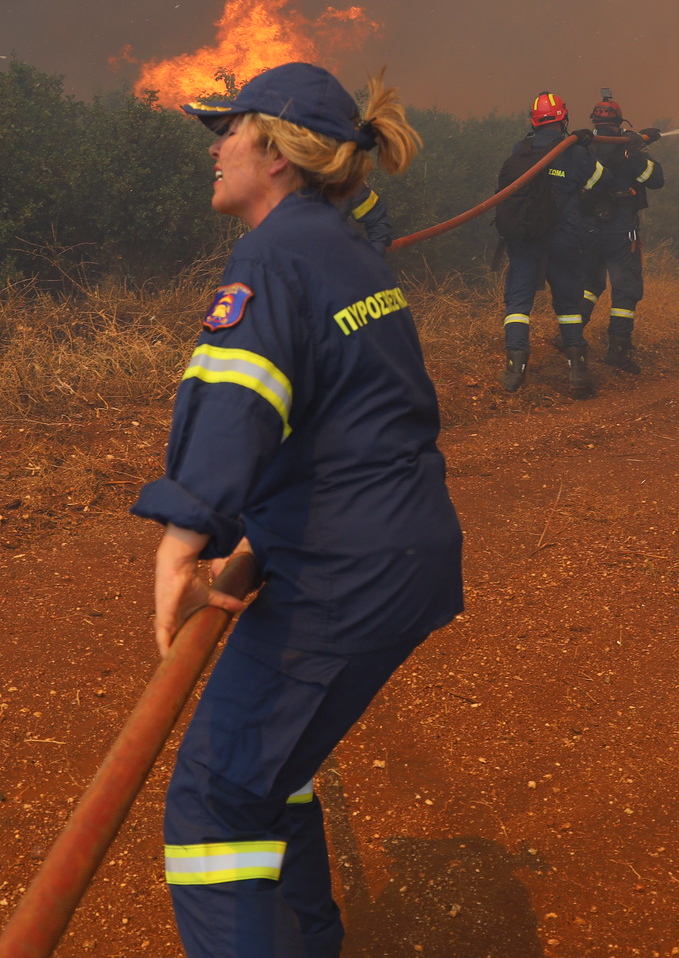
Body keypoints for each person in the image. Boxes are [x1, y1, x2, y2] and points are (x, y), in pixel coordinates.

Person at [132, 61, 464, 957]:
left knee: (216, 799)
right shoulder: (342, 242)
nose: (217, 149)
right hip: (393, 550)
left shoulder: (278, 253)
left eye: (229, 130)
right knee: (271, 775)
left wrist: (183, 539)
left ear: (275, 152)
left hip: (344, 568)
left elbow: (238, 390)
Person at [492, 93, 625, 397]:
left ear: (534, 121)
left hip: (525, 240)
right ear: (563, 119)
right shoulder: (575, 153)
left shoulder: (521, 150)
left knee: (518, 303)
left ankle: (514, 370)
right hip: (564, 239)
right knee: (568, 305)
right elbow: (602, 181)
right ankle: (577, 372)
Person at [579, 93, 664, 373]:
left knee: (590, 283)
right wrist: (639, 150)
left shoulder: (583, 148)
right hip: (621, 227)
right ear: (619, 123)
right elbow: (655, 180)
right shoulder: (630, 150)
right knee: (625, 288)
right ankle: (617, 350)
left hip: (588, 227)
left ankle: (569, 337)